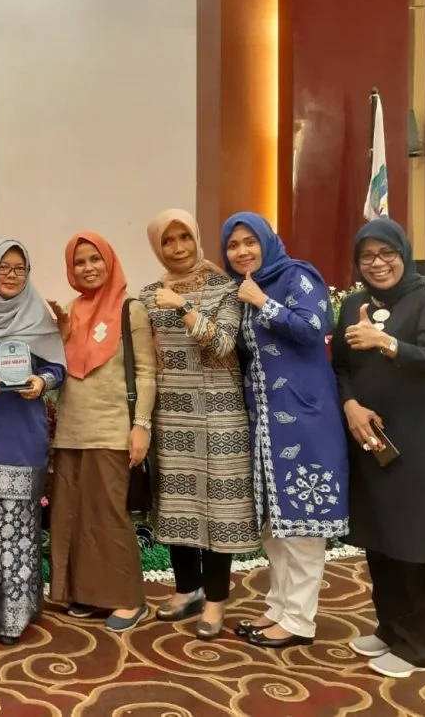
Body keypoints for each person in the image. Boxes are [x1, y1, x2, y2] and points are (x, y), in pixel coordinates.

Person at [332, 218, 425, 679]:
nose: (377, 263)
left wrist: (385, 341)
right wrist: (350, 404)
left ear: (403, 253)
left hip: (422, 441)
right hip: (373, 440)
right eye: (367, 256)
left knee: (419, 541)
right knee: (381, 536)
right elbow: (341, 367)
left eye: (386, 253)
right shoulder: (353, 304)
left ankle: (418, 645)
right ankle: (391, 627)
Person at [220, 212, 349, 650]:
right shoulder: (241, 290)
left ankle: (299, 619)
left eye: (249, 242)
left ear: (266, 241)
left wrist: (263, 302)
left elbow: (315, 328)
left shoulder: (295, 276)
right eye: (233, 245)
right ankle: (279, 607)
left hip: (305, 419)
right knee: (275, 524)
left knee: (303, 523)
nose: (241, 251)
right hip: (265, 423)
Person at [141, 210, 258, 640]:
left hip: (220, 414)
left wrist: (185, 308)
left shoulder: (226, 289)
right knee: (179, 504)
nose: (178, 248)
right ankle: (186, 588)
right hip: (172, 413)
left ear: (196, 238)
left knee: (218, 507)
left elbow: (225, 345)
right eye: (167, 241)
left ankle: (215, 599)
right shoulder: (148, 295)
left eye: (184, 238)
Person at [0, 240, 66, 645]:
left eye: (20, 268)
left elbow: (57, 366)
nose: (11, 275)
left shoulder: (37, 315)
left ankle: (18, 611)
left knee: (19, 525)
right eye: (3, 267)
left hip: (21, 433)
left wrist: (42, 381)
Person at [47, 232, 155, 632]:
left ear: (109, 262)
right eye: (79, 262)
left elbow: (146, 372)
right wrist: (59, 335)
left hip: (112, 429)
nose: (88, 268)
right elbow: (60, 370)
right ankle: (88, 593)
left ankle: (128, 598)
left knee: (109, 515)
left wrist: (141, 426)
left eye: (95, 259)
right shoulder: (70, 310)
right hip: (71, 430)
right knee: (72, 516)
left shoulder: (130, 310)